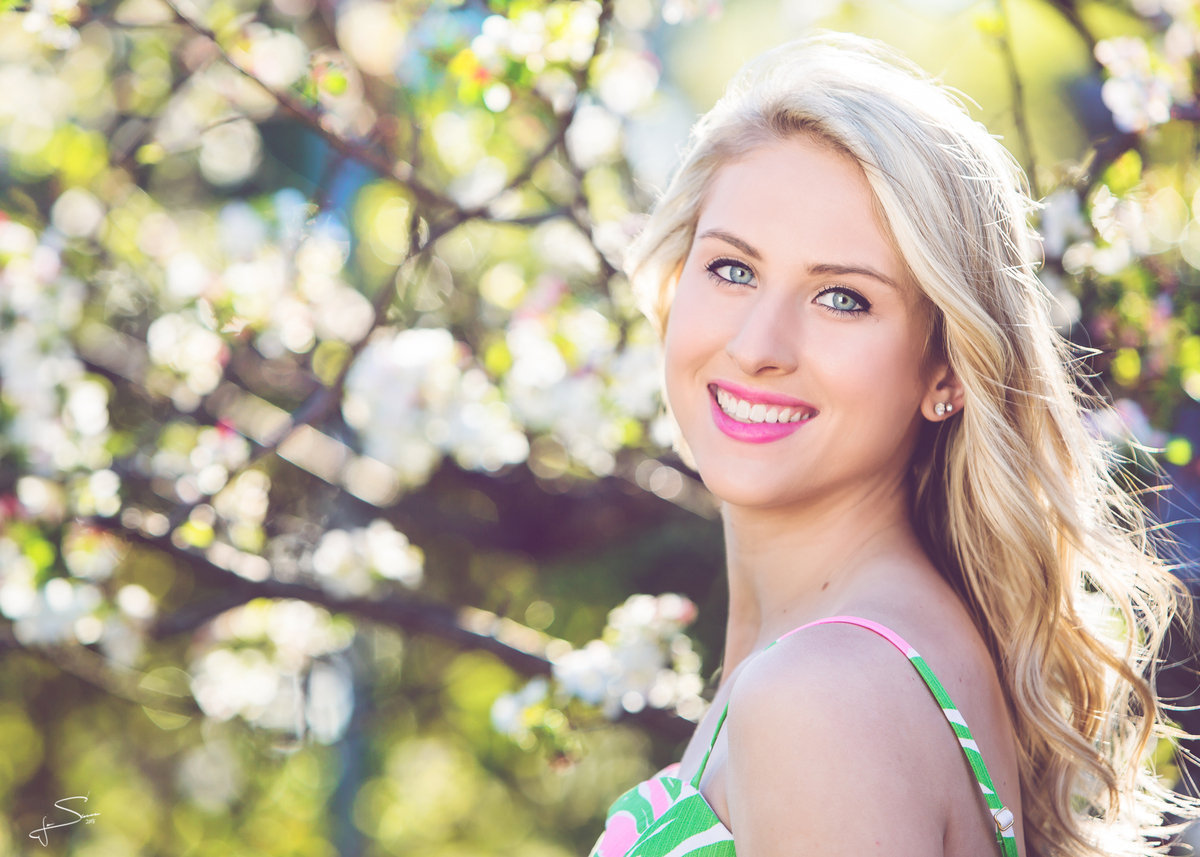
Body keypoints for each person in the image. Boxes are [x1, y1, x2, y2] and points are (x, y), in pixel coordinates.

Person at [588, 31, 1197, 857]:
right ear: (674, 283)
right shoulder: (859, 660)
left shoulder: (822, 696)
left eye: (842, 297)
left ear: (946, 368)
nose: (759, 344)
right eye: (732, 270)